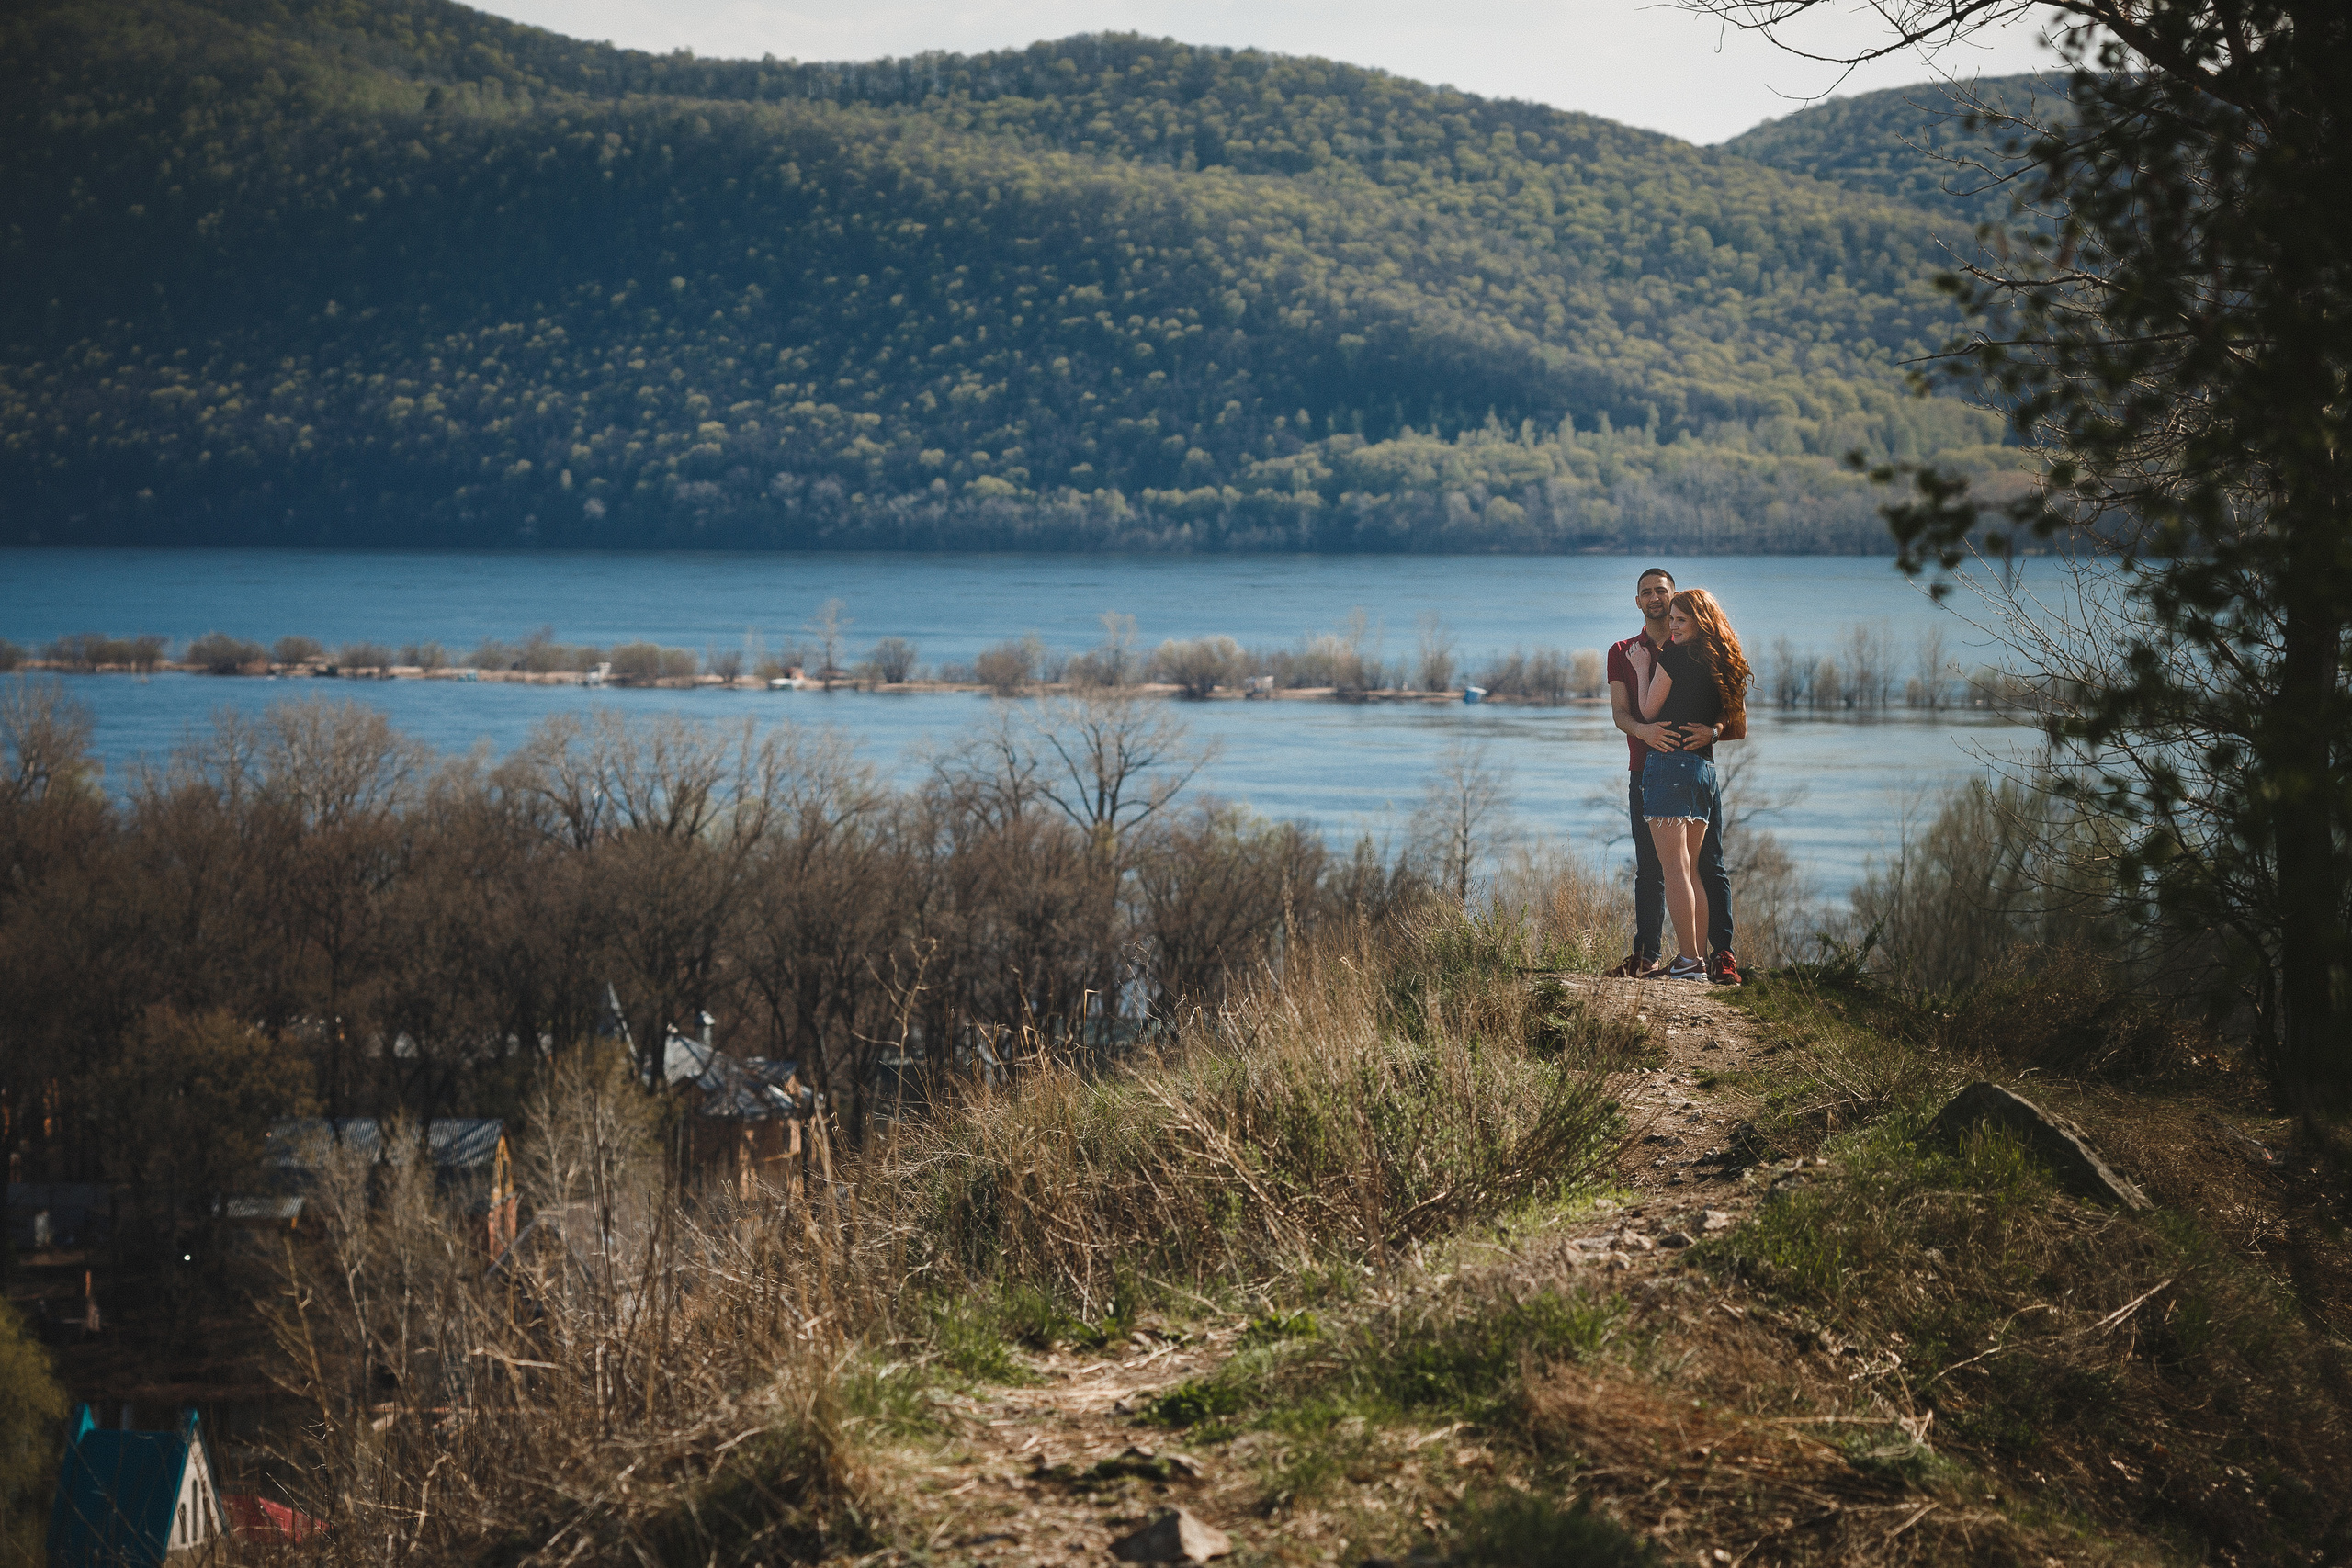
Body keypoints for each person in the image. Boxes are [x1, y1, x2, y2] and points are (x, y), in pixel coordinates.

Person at [1604, 569, 1745, 985]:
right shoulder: (1623, 650)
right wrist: (1643, 732)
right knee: (1660, 869)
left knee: (1699, 867)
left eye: (1662, 592)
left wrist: (1714, 730)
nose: (1654, 598)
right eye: (1645, 592)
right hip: (1654, 769)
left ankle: (1708, 958)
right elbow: (1623, 714)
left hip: (1676, 769)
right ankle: (1654, 955)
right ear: (1638, 601)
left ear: (1675, 598)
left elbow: (1733, 720)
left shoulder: (1684, 651)